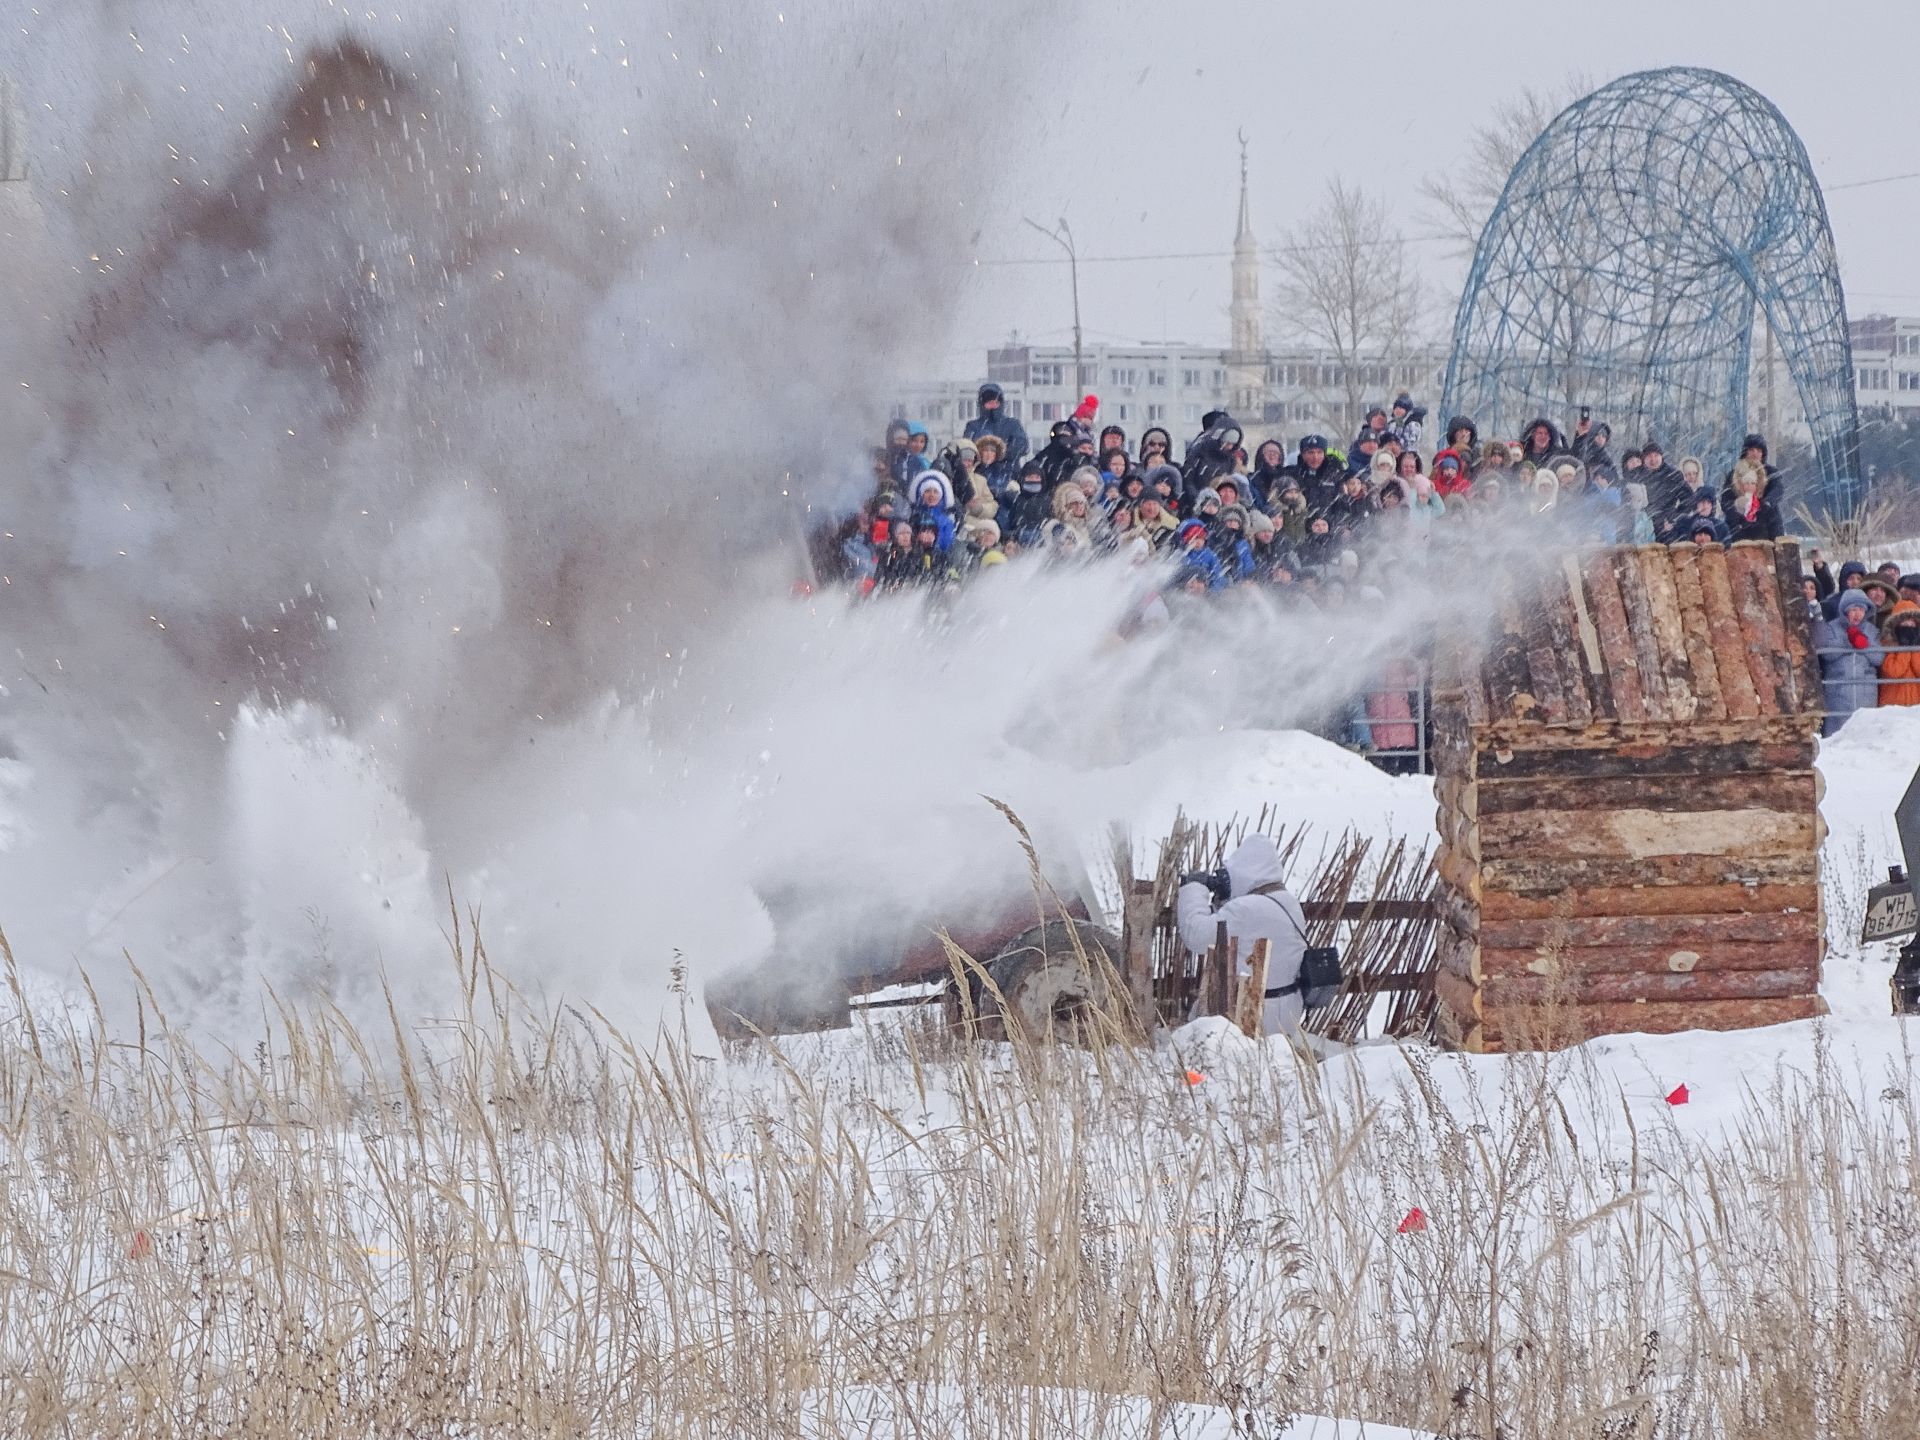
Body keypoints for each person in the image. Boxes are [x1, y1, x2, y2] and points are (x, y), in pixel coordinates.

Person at [1176, 835, 1311, 1035]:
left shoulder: (1245, 909)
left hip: (1250, 1013)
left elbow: (1196, 935)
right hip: (1287, 1013)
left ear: (1244, 873)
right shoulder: (1289, 902)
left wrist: (1194, 888)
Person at [1816, 590, 1884, 735]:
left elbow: (1878, 658)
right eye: (1853, 609)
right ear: (1845, 611)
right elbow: (1826, 655)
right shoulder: (1832, 628)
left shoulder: (1871, 631)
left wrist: (1864, 645)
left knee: (1864, 738)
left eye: (1861, 609)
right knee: (1836, 738)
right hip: (1838, 693)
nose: (1857, 614)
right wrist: (1848, 642)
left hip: (1865, 693)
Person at [963, 382, 1029, 466]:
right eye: (989, 403)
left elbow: (1022, 446)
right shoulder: (972, 426)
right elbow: (967, 448)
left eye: (995, 403)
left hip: (1008, 472)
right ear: (982, 405)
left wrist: (999, 453)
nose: (992, 406)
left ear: (1001, 404)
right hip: (980, 473)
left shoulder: (1012, 424)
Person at [1723, 458, 1782, 542]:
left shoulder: (1768, 508)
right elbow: (1727, 538)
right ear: (1740, 484)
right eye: (1746, 483)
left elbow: (1777, 537)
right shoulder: (1732, 509)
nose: (1749, 486)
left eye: (1753, 483)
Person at [1284, 435, 1346, 515]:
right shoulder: (1291, 475)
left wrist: (1328, 524)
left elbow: (1343, 506)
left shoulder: (1336, 475)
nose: (1315, 457)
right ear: (1303, 454)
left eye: (1319, 452)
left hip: (1329, 525)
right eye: (1310, 452)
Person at [1881, 601, 1920, 706]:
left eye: (1912, 622)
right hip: (1892, 707)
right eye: (1905, 621)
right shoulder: (1887, 644)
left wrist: (1915, 646)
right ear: (1896, 624)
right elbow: (1894, 672)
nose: (1909, 625)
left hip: (1915, 706)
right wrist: (1905, 648)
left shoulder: (1917, 644)